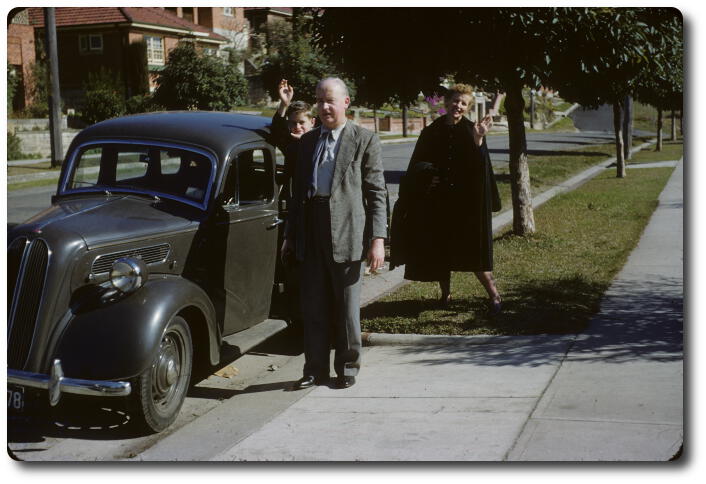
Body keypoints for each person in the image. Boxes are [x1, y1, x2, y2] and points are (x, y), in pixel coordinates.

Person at [282, 77, 387, 390]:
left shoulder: (365, 139)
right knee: (312, 305)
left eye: (330, 100)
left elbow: (376, 192)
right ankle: (314, 369)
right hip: (311, 229)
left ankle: (348, 367)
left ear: (346, 102)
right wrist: (290, 234)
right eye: (319, 101)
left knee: (345, 307)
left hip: (347, 231)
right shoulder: (308, 141)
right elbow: (297, 193)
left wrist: (377, 240)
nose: (324, 107)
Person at [391, 83, 502, 314]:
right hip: (438, 202)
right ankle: (445, 294)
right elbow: (417, 164)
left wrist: (479, 141)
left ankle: (494, 295)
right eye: (455, 101)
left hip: (466, 203)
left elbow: (481, 168)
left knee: (474, 252)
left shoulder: (473, 129)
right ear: (446, 102)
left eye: (463, 103)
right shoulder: (433, 131)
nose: (458, 106)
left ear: (468, 107)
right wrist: (427, 176)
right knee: (442, 251)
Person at [270, 79, 316, 183]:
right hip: (293, 194)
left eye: (302, 122)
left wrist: (306, 141)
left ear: (312, 122)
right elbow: (277, 128)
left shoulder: (320, 141)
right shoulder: (290, 143)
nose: (297, 126)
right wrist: (284, 103)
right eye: (293, 123)